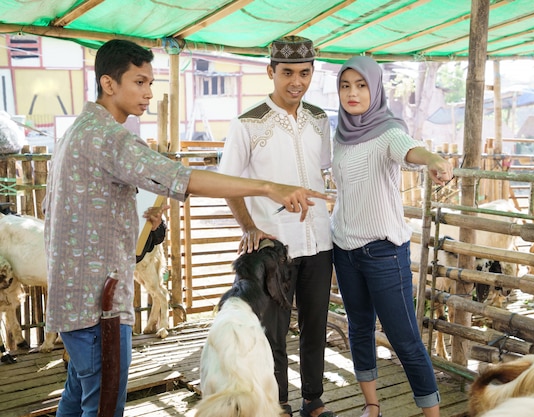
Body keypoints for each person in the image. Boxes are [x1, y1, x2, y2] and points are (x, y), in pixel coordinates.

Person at [43, 39, 329, 417]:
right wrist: (267, 187)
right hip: (100, 302)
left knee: (78, 396)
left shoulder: (78, 132)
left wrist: (140, 221)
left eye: (150, 83)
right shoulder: (109, 137)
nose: (148, 93)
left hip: (76, 296)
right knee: (102, 404)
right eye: (140, 82)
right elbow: (182, 178)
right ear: (109, 84)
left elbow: (66, 207)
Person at [218, 36, 336, 417]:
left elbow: (326, 170)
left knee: (316, 324)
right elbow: (228, 182)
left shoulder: (320, 120)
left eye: (304, 73)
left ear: (312, 72)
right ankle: (278, 404)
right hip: (273, 247)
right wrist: (249, 226)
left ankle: (313, 402)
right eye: (287, 73)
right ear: (271, 72)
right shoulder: (247, 124)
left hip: (319, 240)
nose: (296, 82)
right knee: (273, 333)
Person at [330, 56, 453, 417]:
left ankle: (432, 414)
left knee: (405, 340)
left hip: (383, 251)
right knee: (359, 329)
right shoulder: (339, 135)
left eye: (361, 85)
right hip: (343, 247)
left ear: (376, 88)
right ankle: (372, 405)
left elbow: (409, 149)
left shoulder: (388, 131)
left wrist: (432, 159)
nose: (353, 93)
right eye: (345, 85)